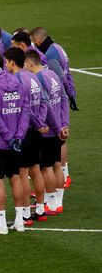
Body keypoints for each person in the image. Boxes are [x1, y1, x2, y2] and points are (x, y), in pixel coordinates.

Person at [0, 53, 30, 235]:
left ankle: (1, 224)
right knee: (15, 177)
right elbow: (25, 110)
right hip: (17, 140)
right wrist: (18, 136)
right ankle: (19, 221)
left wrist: (9, 137)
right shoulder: (18, 83)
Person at [4, 47, 49, 224]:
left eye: (7, 62)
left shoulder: (17, 80)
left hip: (25, 131)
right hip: (37, 131)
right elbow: (44, 101)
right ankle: (40, 209)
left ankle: (24, 214)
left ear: (12, 63)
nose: (6, 65)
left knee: (22, 173)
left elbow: (25, 109)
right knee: (36, 170)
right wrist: (42, 123)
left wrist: (37, 124)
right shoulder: (33, 76)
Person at [23, 50, 70, 216]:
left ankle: (50, 203)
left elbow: (47, 106)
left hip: (49, 130)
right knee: (58, 165)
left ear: (29, 64)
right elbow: (64, 98)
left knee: (46, 168)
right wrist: (64, 124)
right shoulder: (52, 74)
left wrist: (54, 127)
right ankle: (57, 202)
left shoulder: (38, 79)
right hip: (59, 126)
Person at [31, 27, 77, 188]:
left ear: (37, 41)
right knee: (61, 140)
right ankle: (63, 176)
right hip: (62, 98)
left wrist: (67, 92)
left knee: (51, 157)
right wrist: (71, 92)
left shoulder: (50, 55)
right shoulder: (58, 47)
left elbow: (60, 78)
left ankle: (62, 178)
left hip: (55, 103)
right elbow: (67, 73)